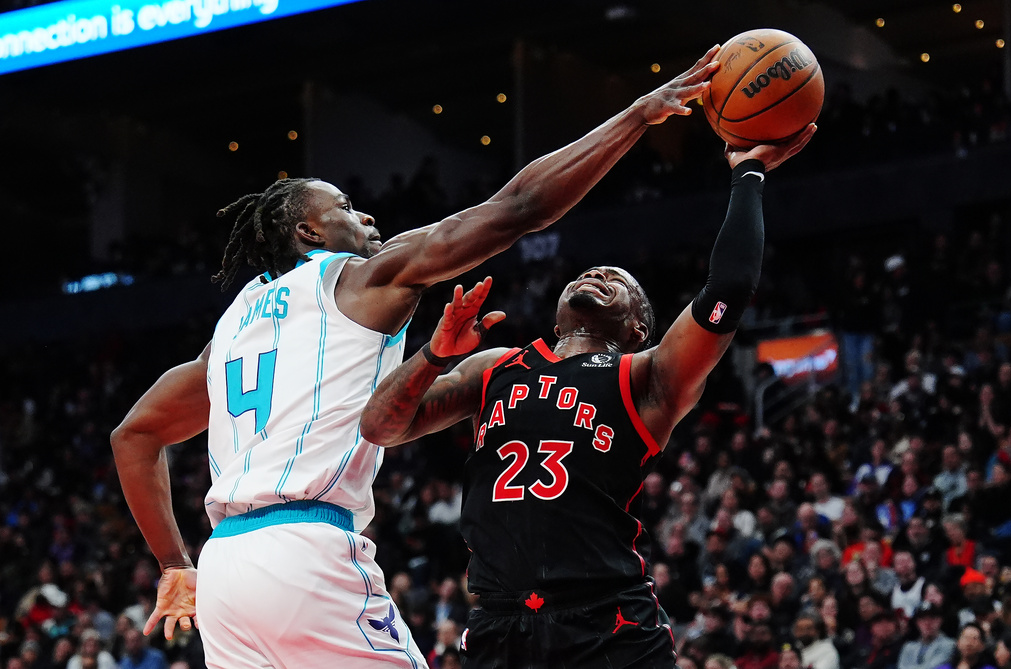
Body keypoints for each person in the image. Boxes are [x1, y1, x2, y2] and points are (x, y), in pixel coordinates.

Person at [108, 44, 725, 669]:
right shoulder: (360, 278)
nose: (365, 213)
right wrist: (637, 116)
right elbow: (518, 210)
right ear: (309, 235)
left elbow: (134, 435)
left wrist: (173, 564)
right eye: (344, 207)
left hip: (224, 570)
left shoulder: (230, 328)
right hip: (306, 549)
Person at [360, 125, 816, 667]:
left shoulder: (647, 377)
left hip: (608, 623)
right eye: (592, 270)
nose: (599, 273)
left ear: (639, 329)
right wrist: (435, 352)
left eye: (620, 281)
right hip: (499, 626)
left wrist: (748, 174)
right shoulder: (495, 365)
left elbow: (729, 289)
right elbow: (379, 427)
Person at [898, 603, 956, 669]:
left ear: (940, 620)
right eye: (923, 618)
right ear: (917, 623)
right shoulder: (908, 647)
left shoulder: (949, 645)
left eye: (932, 618)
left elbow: (934, 667)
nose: (927, 623)